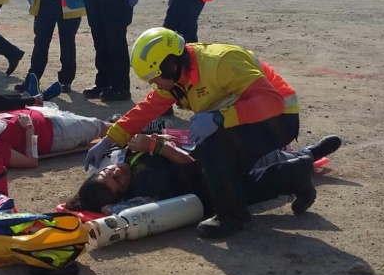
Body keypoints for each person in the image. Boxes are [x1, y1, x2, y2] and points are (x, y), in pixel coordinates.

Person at [83, 27, 310, 238]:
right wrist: (110, 139)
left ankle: (233, 217)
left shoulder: (220, 63)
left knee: (214, 156)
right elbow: (146, 109)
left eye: (155, 78)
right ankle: (294, 174)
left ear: (170, 65)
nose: (155, 85)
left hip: (278, 121)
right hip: (248, 121)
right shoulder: (178, 77)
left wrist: (220, 118)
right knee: (222, 179)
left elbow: (273, 102)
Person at [67, 135, 342, 216]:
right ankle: (308, 156)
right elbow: (187, 164)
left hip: (212, 157)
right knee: (265, 171)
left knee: (267, 169)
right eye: (116, 181)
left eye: (106, 172)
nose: (115, 171)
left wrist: (158, 141)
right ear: (123, 193)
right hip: (210, 173)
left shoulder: (127, 161)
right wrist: (157, 147)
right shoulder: (146, 183)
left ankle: (305, 158)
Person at [0, 108, 113, 169]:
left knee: (99, 124)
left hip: (46, 115)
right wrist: (28, 129)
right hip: (56, 133)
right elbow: (30, 161)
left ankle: (121, 123)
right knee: (101, 127)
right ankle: (135, 129)